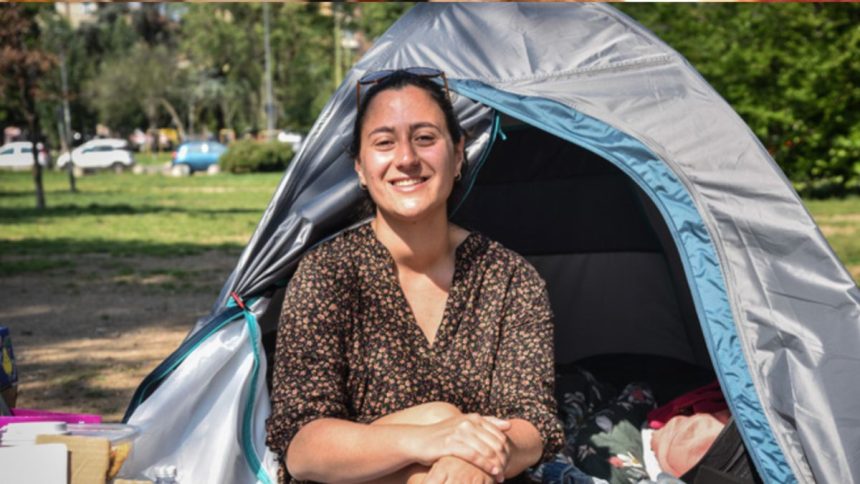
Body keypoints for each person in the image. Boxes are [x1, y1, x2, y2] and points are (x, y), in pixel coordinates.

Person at [266, 68, 563, 484]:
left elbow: (533, 423)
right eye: (384, 143)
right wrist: (433, 439)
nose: (406, 159)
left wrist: (470, 462)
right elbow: (302, 446)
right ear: (359, 167)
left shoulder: (509, 277)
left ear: (458, 154)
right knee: (438, 415)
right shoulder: (326, 275)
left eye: (425, 138)